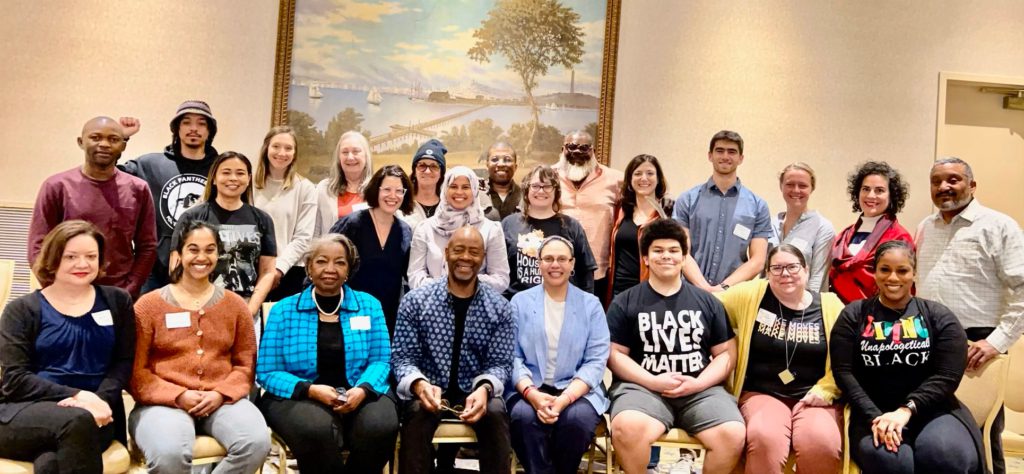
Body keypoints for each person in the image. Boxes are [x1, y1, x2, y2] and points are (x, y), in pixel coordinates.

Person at [129, 220, 270, 473]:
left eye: (210, 249)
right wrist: (179, 395)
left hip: (223, 399)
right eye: (193, 249)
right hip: (162, 403)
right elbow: (137, 372)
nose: (201, 257)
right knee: (169, 454)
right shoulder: (147, 306)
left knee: (256, 443)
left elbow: (245, 365)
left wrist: (220, 393)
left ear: (219, 254)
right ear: (178, 255)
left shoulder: (236, 306)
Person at [831, 240, 983, 473]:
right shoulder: (853, 314)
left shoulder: (939, 316)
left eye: (902, 270)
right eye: (885, 269)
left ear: (914, 273)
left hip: (933, 410)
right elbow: (844, 372)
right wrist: (876, 417)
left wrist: (906, 410)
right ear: (875, 272)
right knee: (893, 462)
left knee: (945, 456)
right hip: (873, 412)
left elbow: (947, 376)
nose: (893, 278)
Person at [606, 219, 745, 474]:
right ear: (646, 258)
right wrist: (652, 381)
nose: (666, 256)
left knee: (733, 433)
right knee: (627, 428)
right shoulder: (624, 302)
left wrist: (699, 383)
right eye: (658, 251)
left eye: (673, 251)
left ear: (683, 258)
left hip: (701, 391)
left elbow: (726, 354)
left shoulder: (708, 302)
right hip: (642, 389)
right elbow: (614, 355)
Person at [916, 157, 1024, 474]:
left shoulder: (999, 226)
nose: (944, 187)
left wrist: (996, 341)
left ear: (972, 185)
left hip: (979, 343)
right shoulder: (925, 227)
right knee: (935, 429)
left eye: (953, 179)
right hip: (930, 340)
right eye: (937, 181)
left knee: (982, 434)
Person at [0, 221, 135, 472]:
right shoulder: (22, 310)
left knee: (51, 463)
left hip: (99, 413)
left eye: (91, 256)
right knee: (75, 422)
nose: (82, 264)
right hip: (26, 411)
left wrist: (99, 401)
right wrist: (77, 396)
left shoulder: (117, 301)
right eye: (71, 256)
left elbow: (123, 362)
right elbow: (15, 380)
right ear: (53, 258)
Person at [257, 234, 398, 473]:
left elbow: (382, 360)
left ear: (349, 269)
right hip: (298, 395)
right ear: (309, 266)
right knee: (316, 428)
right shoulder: (283, 310)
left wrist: (362, 389)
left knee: (380, 425)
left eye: (340, 262)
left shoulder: (369, 305)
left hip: (360, 390)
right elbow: (267, 371)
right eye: (322, 261)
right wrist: (309, 389)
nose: (330, 269)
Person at [392, 226, 514, 474]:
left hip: (475, 391)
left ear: (483, 258)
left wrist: (485, 388)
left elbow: (501, 363)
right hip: (428, 389)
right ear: (446, 253)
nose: (466, 258)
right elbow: (402, 357)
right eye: (458, 250)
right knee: (416, 413)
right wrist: (418, 384)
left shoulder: (499, 307)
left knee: (496, 412)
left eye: (474, 252)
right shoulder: (416, 301)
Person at [715, 244, 844, 473]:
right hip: (763, 393)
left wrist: (826, 390)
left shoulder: (830, 305)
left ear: (806, 270)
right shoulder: (751, 295)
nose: (785, 274)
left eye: (792, 267)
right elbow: (710, 305)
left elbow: (847, 359)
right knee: (765, 437)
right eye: (776, 268)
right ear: (767, 272)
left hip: (814, 397)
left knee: (822, 442)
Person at [507, 236, 609, 474]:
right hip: (529, 387)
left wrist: (565, 399)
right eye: (549, 259)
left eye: (562, 259)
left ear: (573, 264)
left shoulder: (591, 305)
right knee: (523, 418)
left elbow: (596, 360)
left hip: (576, 390)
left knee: (576, 421)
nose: (555, 265)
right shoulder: (519, 302)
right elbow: (511, 356)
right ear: (539, 264)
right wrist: (532, 395)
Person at [29, 116, 157, 298]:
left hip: (118, 294)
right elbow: (38, 244)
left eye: (113, 139)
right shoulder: (56, 186)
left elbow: (148, 246)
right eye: (96, 137)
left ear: (123, 146)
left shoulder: (138, 189)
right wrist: (55, 288)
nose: (104, 144)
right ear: (81, 142)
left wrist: (131, 288)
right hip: (65, 293)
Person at [120, 100, 220, 291]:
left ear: (210, 131)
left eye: (201, 123)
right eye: (186, 122)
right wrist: (122, 138)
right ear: (176, 128)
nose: (193, 128)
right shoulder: (150, 164)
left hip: (205, 267)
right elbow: (110, 175)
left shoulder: (221, 168)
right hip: (154, 269)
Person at [173, 152, 277, 318]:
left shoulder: (262, 219)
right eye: (226, 172)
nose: (233, 178)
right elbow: (177, 266)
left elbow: (267, 271)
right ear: (213, 178)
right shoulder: (192, 217)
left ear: (249, 179)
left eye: (240, 173)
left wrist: (250, 309)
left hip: (245, 307)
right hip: (199, 307)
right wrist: (192, 304)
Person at [673, 130, 772, 293]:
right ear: (710, 155)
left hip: (734, 295)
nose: (725, 156)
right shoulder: (687, 200)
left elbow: (758, 260)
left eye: (732, 152)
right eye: (720, 151)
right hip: (690, 292)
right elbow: (681, 250)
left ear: (741, 158)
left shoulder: (758, 205)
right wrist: (703, 287)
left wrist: (723, 288)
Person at [330, 165, 414, 334]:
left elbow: (407, 276)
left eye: (399, 191)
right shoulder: (353, 224)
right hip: (350, 312)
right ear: (376, 190)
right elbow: (326, 261)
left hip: (388, 319)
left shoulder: (405, 231)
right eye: (387, 189)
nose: (393, 196)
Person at [408, 165, 510, 292]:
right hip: (432, 306)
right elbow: (415, 276)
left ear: (474, 190)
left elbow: (501, 279)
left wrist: (463, 286)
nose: (459, 192)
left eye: (466, 187)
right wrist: (443, 292)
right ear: (445, 189)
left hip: (477, 306)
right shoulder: (425, 229)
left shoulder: (491, 230)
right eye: (453, 186)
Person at [501, 165, 596, 298]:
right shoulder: (508, 224)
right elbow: (499, 270)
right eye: (535, 186)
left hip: (562, 303)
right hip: (517, 305)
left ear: (556, 191)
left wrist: (585, 305)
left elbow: (586, 273)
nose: (541, 191)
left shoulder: (572, 226)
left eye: (547, 186)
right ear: (526, 190)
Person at [828, 161, 914, 304]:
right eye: (866, 189)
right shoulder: (845, 234)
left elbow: (901, 286)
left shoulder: (899, 237)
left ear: (891, 195)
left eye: (879, 190)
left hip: (876, 318)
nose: (871, 195)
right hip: (838, 315)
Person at [552, 130, 623, 299]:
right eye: (572, 147)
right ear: (562, 150)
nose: (577, 152)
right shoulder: (548, 176)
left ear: (593, 151)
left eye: (584, 148)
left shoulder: (616, 179)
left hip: (598, 271)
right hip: (555, 267)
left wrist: (663, 198)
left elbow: (641, 195)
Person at [253, 126, 317, 302]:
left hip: (288, 273)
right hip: (250, 269)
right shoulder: (249, 183)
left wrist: (277, 269)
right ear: (266, 148)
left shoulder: (306, 188)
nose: (282, 153)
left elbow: (303, 238)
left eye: (288, 148)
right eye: (276, 146)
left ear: (295, 153)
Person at [607, 154, 675, 303]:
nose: (644, 178)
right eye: (637, 173)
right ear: (630, 181)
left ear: (658, 179)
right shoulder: (621, 210)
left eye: (650, 173)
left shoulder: (669, 212)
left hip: (654, 292)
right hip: (619, 292)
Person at [771, 162, 835, 292]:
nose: (796, 190)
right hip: (768, 303)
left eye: (802, 186)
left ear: (811, 188)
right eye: (790, 184)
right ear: (781, 186)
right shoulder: (770, 224)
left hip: (802, 305)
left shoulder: (822, 227)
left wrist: (806, 309)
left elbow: (818, 277)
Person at [314, 131, 373, 234]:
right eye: (345, 152)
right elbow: (315, 232)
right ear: (339, 158)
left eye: (356, 151)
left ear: (366, 156)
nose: (350, 157)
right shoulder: (323, 189)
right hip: (331, 249)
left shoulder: (379, 189)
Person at [401, 139, 447, 230]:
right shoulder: (401, 203)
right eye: (422, 165)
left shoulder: (448, 206)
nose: (427, 171)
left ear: (441, 174)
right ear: (414, 171)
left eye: (434, 166)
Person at [482, 141, 523, 221]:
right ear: (487, 165)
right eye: (494, 159)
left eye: (507, 159)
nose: (501, 164)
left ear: (515, 167)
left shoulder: (526, 196)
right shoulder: (476, 195)